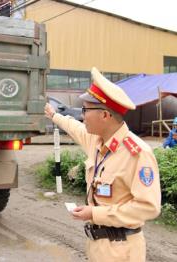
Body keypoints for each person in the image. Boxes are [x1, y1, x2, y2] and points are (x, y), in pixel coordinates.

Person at [45, 67, 161, 262]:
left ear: (105, 115)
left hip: (122, 250)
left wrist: (96, 213)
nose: (82, 116)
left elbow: (148, 207)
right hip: (97, 245)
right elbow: (75, 128)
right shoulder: (97, 141)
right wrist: (54, 116)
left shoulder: (137, 153)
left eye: (85, 110)